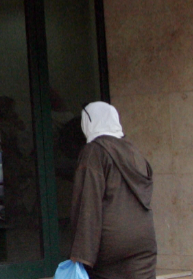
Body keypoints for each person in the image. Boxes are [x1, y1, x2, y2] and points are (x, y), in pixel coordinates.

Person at [68, 102, 156, 279]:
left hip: (111, 246)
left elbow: (88, 204)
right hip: (144, 242)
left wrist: (82, 255)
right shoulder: (134, 151)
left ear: (89, 122)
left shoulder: (94, 151)